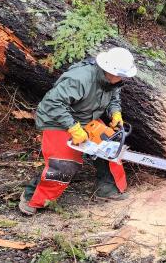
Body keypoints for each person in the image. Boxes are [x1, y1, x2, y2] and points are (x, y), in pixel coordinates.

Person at [18, 47, 137, 216]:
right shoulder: (80, 78)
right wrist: (73, 128)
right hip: (57, 120)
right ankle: (31, 198)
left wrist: (115, 112)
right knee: (63, 165)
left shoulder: (113, 80)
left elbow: (114, 97)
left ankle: (107, 189)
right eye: (120, 75)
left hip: (86, 119)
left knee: (110, 146)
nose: (122, 79)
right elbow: (53, 103)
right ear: (109, 69)